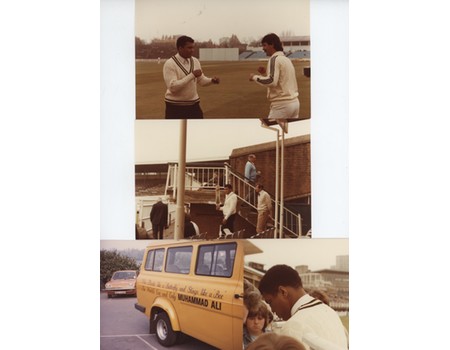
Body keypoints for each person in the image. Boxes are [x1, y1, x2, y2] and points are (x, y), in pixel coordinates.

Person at [258, 265, 348, 350]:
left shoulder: (294, 325)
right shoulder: (330, 312)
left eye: (270, 302)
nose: (272, 310)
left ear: (283, 292)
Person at [249, 33, 300, 130]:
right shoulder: (286, 59)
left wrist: (254, 77)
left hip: (281, 105)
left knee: (268, 128)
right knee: (288, 131)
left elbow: (271, 81)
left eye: (264, 45)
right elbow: (281, 80)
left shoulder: (274, 59)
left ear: (272, 44)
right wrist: (265, 73)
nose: (263, 48)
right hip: (294, 103)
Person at [163, 35, 220, 119]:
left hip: (194, 105)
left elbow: (201, 80)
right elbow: (173, 87)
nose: (192, 50)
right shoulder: (170, 64)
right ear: (180, 48)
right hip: (174, 106)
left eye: (193, 47)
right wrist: (192, 75)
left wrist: (211, 80)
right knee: (174, 131)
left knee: (198, 130)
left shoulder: (195, 61)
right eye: (189, 48)